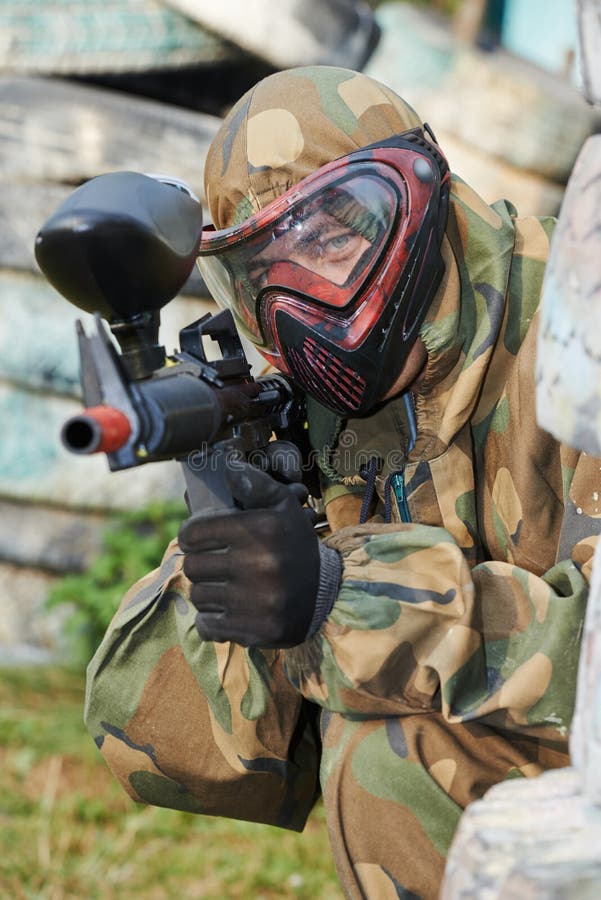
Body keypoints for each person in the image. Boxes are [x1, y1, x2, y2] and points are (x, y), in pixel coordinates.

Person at [84, 66, 600, 899]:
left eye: (329, 239)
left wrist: (344, 594)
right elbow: (189, 760)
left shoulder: (582, 325)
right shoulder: (324, 412)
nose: (298, 303)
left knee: (391, 752)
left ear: (418, 207)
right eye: (258, 276)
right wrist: (241, 561)